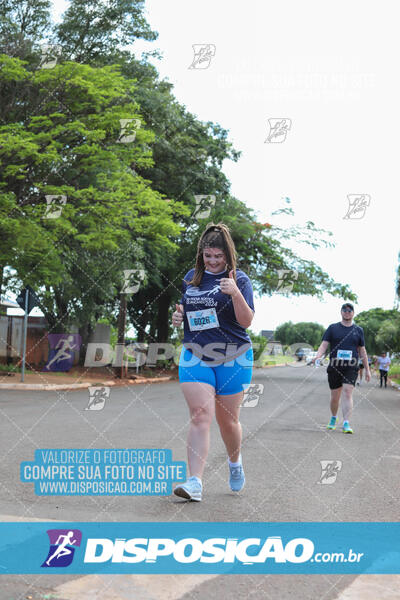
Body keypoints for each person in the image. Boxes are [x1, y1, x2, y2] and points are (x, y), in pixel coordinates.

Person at [171, 223, 255, 501]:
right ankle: (195, 482)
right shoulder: (191, 278)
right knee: (200, 415)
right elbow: (189, 314)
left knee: (228, 422)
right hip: (195, 355)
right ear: (201, 254)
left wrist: (235, 293)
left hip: (234, 357)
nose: (213, 261)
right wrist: (179, 317)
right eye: (208, 256)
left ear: (227, 255)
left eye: (218, 256)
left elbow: (247, 321)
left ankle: (235, 463)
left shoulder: (239, 280)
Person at [311, 303, 371, 434]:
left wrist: (367, 369)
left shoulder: (358, 330)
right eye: (345, 310)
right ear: (341, 312)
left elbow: (362, 351)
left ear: (353, 313)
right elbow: (324, 345)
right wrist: (318, 356)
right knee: (335, 397)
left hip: (351, 366)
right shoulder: (333, 328)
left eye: (350, 310)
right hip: (335, 366)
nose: (347, 312)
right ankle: (333, 418)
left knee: (348, 392)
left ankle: (346, 423)